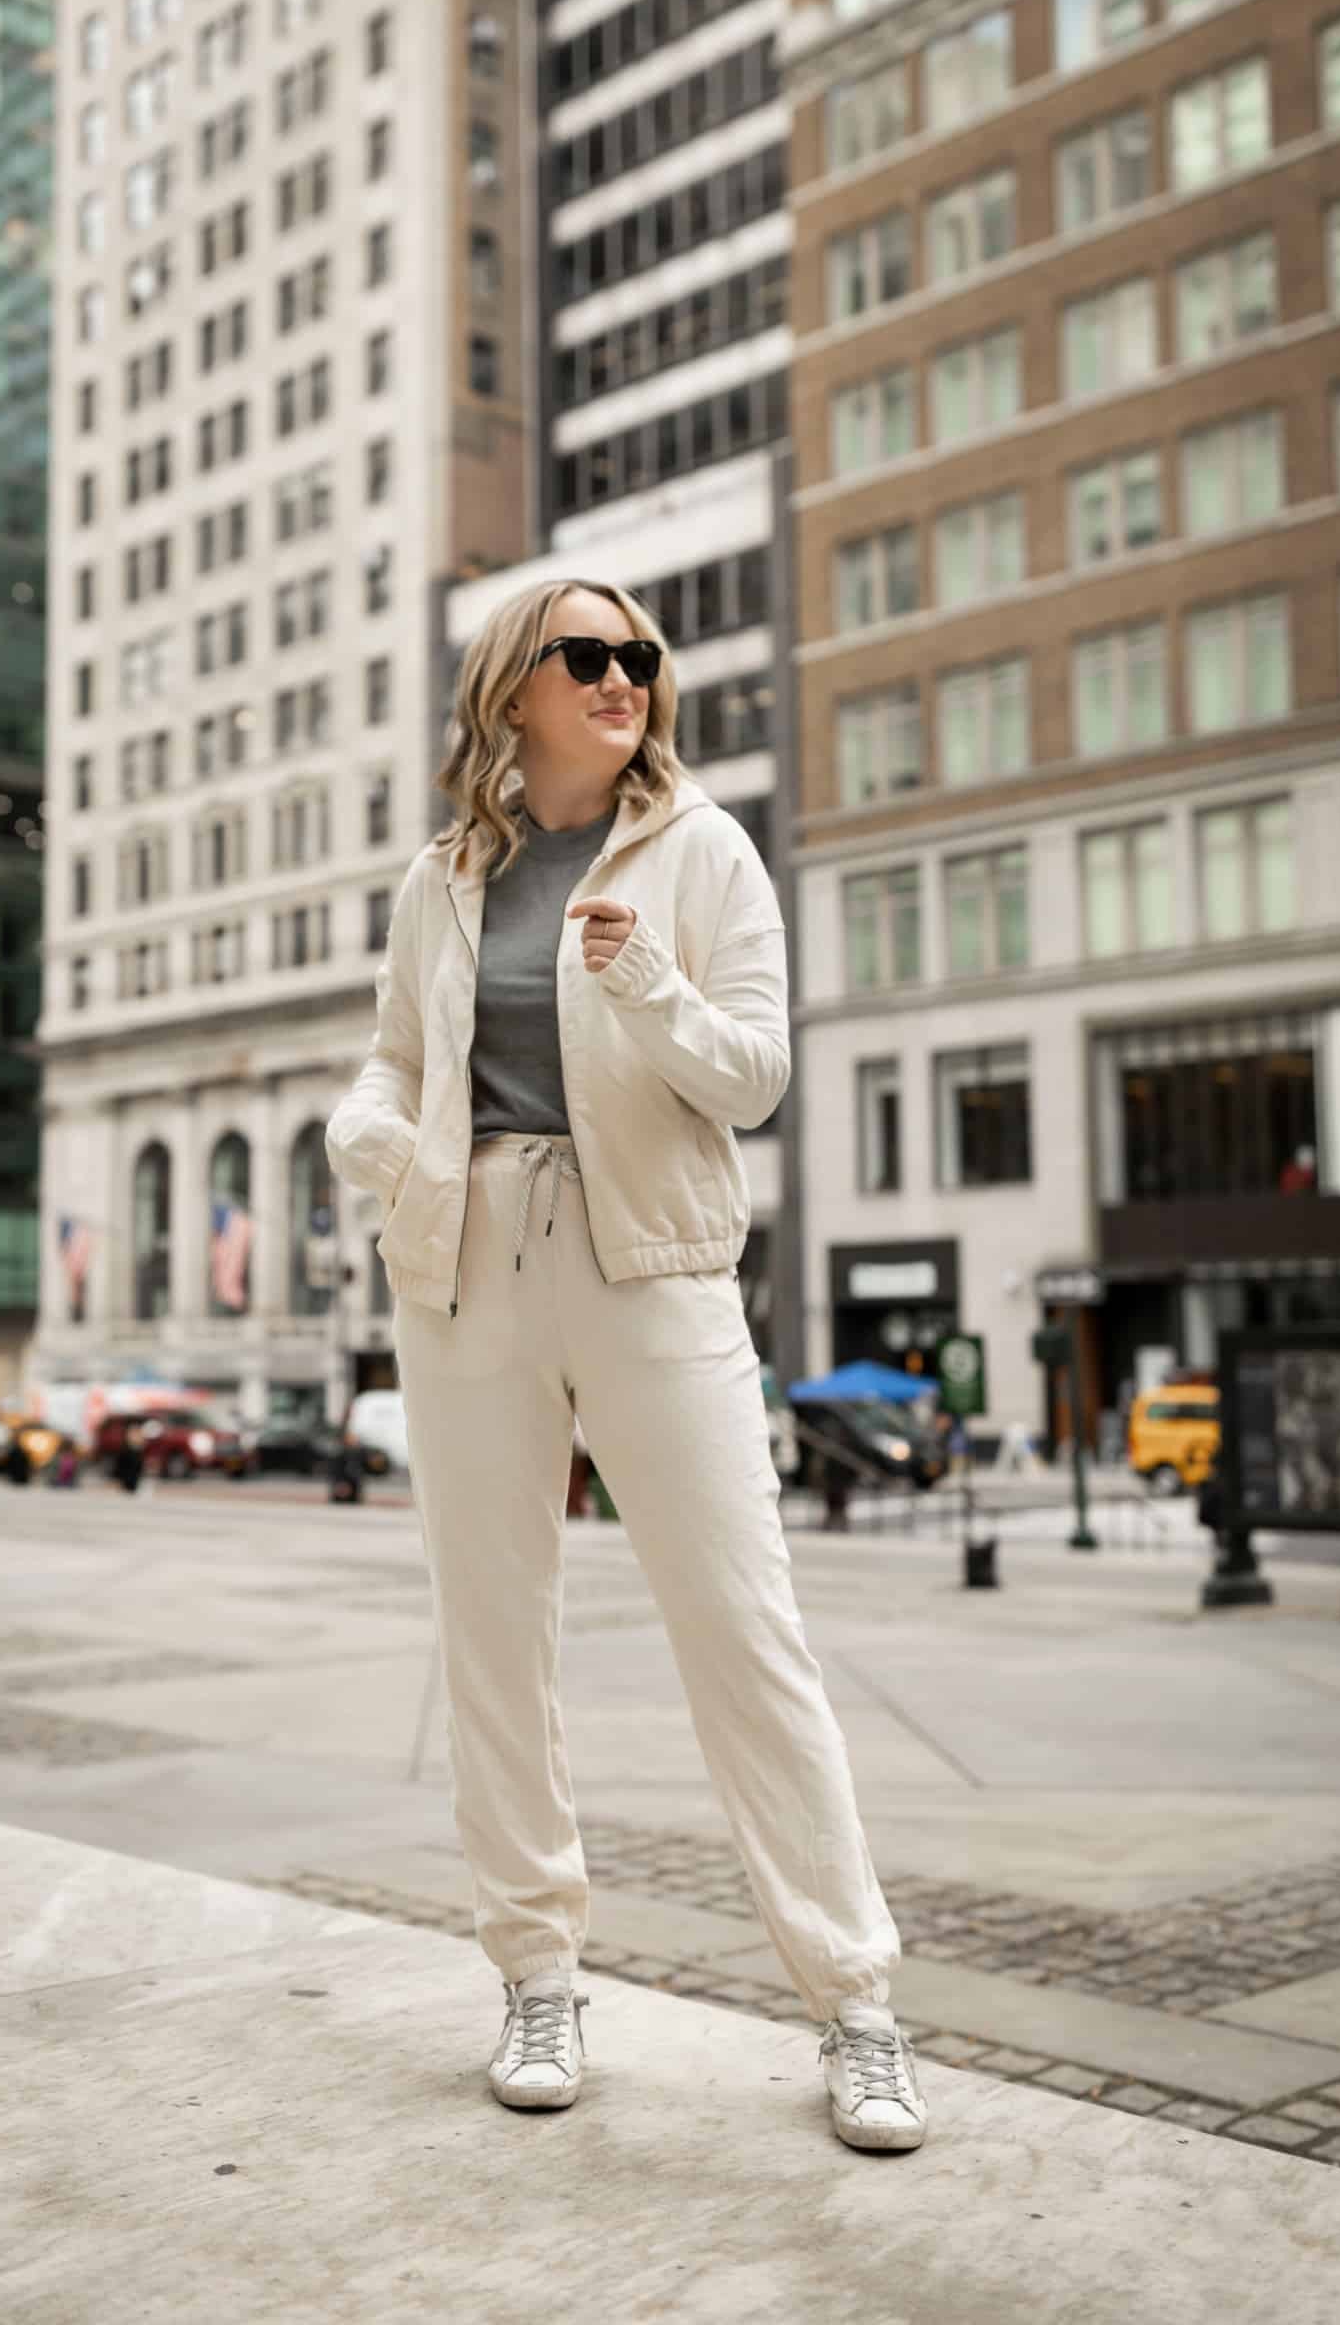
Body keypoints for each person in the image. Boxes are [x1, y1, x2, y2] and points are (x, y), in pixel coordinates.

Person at [324, 579, 925, 2154]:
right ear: (512, 688)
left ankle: (856, 2005)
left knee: (745, 1630)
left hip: (652, 1265)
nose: (621, 678)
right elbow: (395, 1057)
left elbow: (758, 1079)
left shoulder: (706, 852)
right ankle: (536, 1976)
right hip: (464, 1268)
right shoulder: (446, 873)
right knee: (494, 1639)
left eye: (638, 657)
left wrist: (646, 986)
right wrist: (373, 1141)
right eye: (584, 656)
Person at [114, 1423, 147, 1496]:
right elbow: (120, 1465)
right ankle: (128, 1486)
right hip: (127, 1470)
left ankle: (131, 1486)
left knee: (134, 1472)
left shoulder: (139, 1447)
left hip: (134, 1470)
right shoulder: (125, 1449)